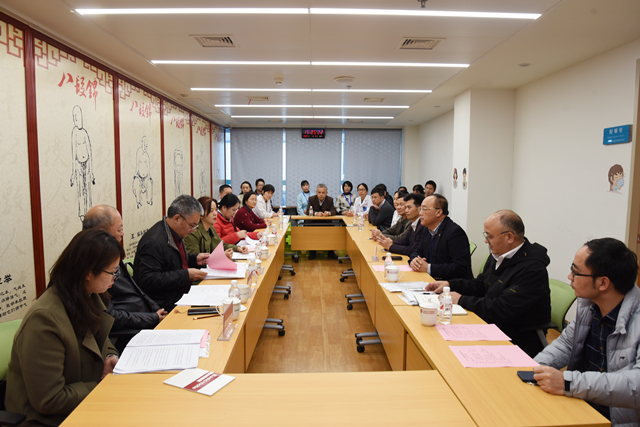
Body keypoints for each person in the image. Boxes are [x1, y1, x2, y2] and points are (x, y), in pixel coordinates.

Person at [5, 229, 121, 426]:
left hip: (82, 404)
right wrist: (101, 387)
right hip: (47, 419)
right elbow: (50, 399)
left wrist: (109, 356)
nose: (115, 278)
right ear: (88, 272)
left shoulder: (87, 296)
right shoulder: (44, 319)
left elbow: (99, 338)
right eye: (112, 272)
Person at [533, 238, 640, 425]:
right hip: (580, 402)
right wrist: (533, 368)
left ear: (603, 283)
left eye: (575, 272)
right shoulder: (590, 305)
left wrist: (568, 383)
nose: (569, 276)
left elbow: (635, 385)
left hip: (614, 419)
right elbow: (566, 344)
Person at [425, 209, 551, 357]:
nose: (486, 241)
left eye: (489, 236)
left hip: (517, 338)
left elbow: (503, 309)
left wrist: (461, 300)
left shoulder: (532, 268)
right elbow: (481, 284)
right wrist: (450, 284)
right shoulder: (499, 255)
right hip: (491, 324)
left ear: (509, 237)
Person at [82, 205, 167, 353]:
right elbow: (109, 317)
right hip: (129, 333)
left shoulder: (110, 254)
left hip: (144, 320)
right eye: (119, 229)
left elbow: (136, 289)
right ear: (103, 233)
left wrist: (156, 310)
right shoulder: (93, 264)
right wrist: (152, 318)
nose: (123, 233)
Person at [134, 195, 210, 310]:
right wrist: (186, 275)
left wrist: (194, 259)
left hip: (181, 295)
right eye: (192, 225)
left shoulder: (175, 232)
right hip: (164, 305)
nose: (193, 230)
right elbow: (148, 280)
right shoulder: (154, 242)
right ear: (177, 219)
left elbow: (172, 261)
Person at [410, 194, 473, 280]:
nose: (420, 213)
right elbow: (417, 251)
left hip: (450, 284)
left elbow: (460, 267)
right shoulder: (427, 229)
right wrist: (414, 260)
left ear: (438, 212)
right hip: (429, 279)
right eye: (420, 209)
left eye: (424, 209)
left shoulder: (454, 232)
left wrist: (429, 268)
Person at [305, 183, 337, 260]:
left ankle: (330, 252)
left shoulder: (330, 199)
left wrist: (328, 213)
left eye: (323, 192)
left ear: (326, 193)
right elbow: (308, 211)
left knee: (332, 231)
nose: (321, 194)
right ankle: (312, 252)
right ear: (316, 192)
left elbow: (333, 211)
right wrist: (316, 213)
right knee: (310, 231)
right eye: (319, 192)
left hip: (326, 222)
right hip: (313, 222)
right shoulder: (311, 199)